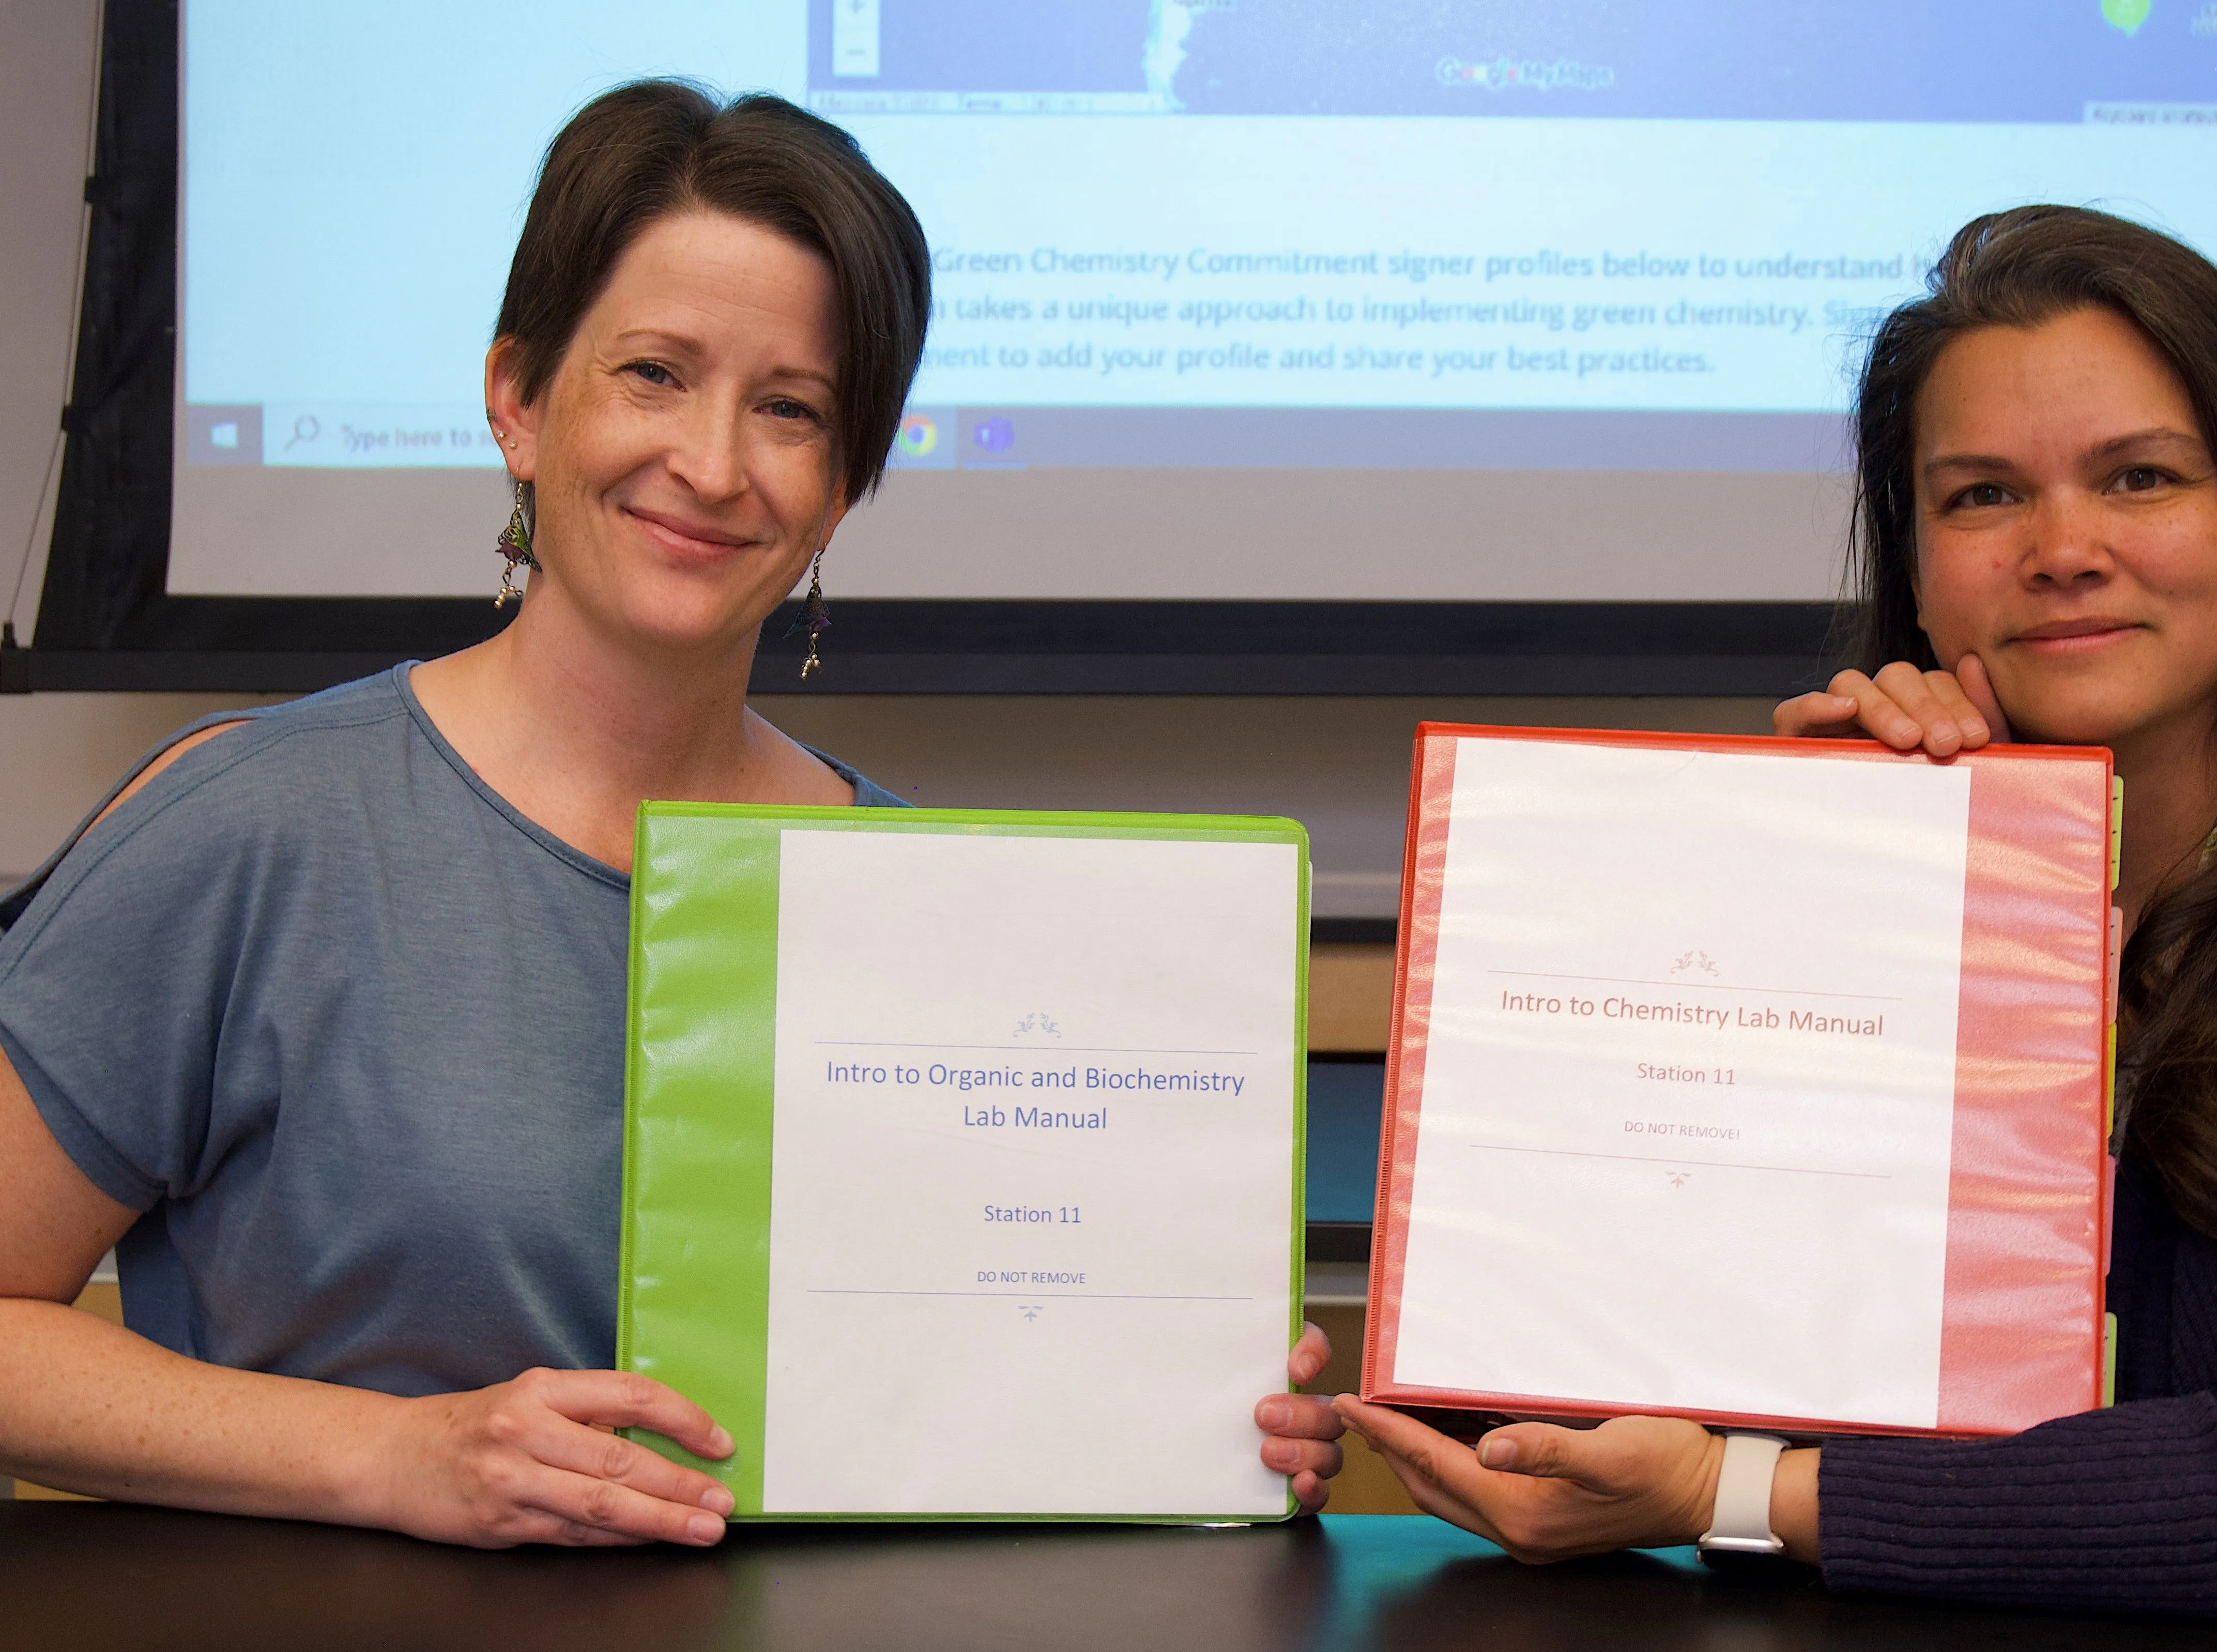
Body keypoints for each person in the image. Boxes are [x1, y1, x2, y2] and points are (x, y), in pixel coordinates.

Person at [0, 81, 1341, 1545]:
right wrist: (388, 1456)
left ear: (842, 489)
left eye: (789, 410)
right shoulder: (252, 828)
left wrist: (1194, 1419)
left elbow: (960, 1398)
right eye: (652, 373)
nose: (711, 464)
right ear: (518, 399)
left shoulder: (917, 902)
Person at [1335, 205, 2217, 1625]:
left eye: (2138, 478)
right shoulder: (1888, 865)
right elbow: (1613, 1384)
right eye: (1982, 496)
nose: (2061, 550)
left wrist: (1740, 1494)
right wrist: (1808, 891)